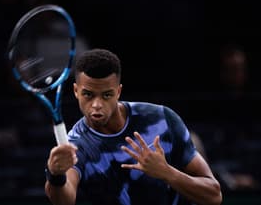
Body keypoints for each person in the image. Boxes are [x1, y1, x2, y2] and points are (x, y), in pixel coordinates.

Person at [44, 48, 222, 205]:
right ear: (76, 91)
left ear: (118, 92)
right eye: (88, 94)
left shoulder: (162, 119)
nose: (97, 105)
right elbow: (64, 201)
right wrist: (55, 175)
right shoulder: (77, 145)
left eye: (106, 95)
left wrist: (167, 172)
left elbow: (214, 195)